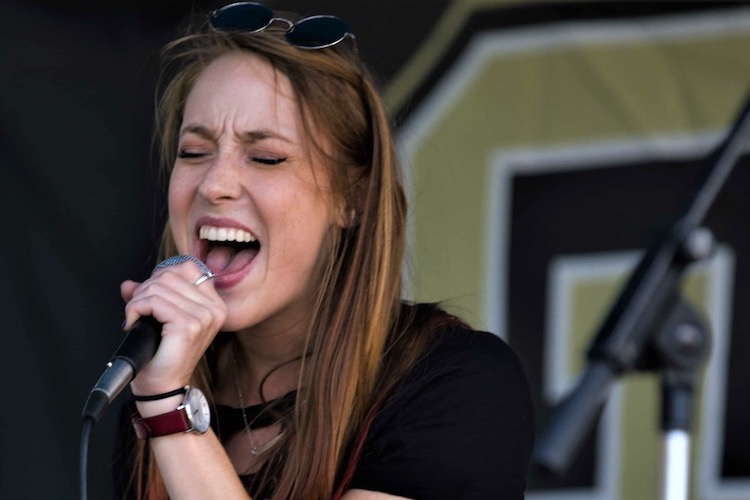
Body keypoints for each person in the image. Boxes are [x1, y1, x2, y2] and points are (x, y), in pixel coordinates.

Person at [114, 2, 534, 499]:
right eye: (194, 152)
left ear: (352, 199)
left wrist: (170, 413)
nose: (215, 183)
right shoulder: (159, 380)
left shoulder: (457, 383)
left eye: (266, 157)